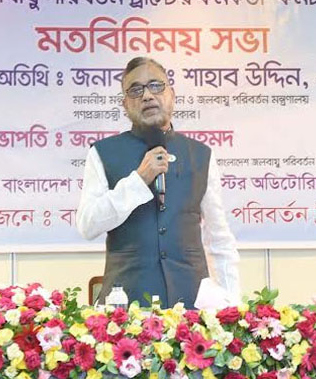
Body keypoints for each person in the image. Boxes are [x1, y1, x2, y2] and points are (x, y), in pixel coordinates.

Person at [76, 57, 240, 308]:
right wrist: (138, 180)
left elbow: (219, 238)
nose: (147, 96)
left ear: (172, 95)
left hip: (193, 306)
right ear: (125, 104)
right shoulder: (103, 153)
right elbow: (88, 225)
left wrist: (233, 306)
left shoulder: (200, 154)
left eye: (155, 85)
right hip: (127, 308)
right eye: (135, 90)